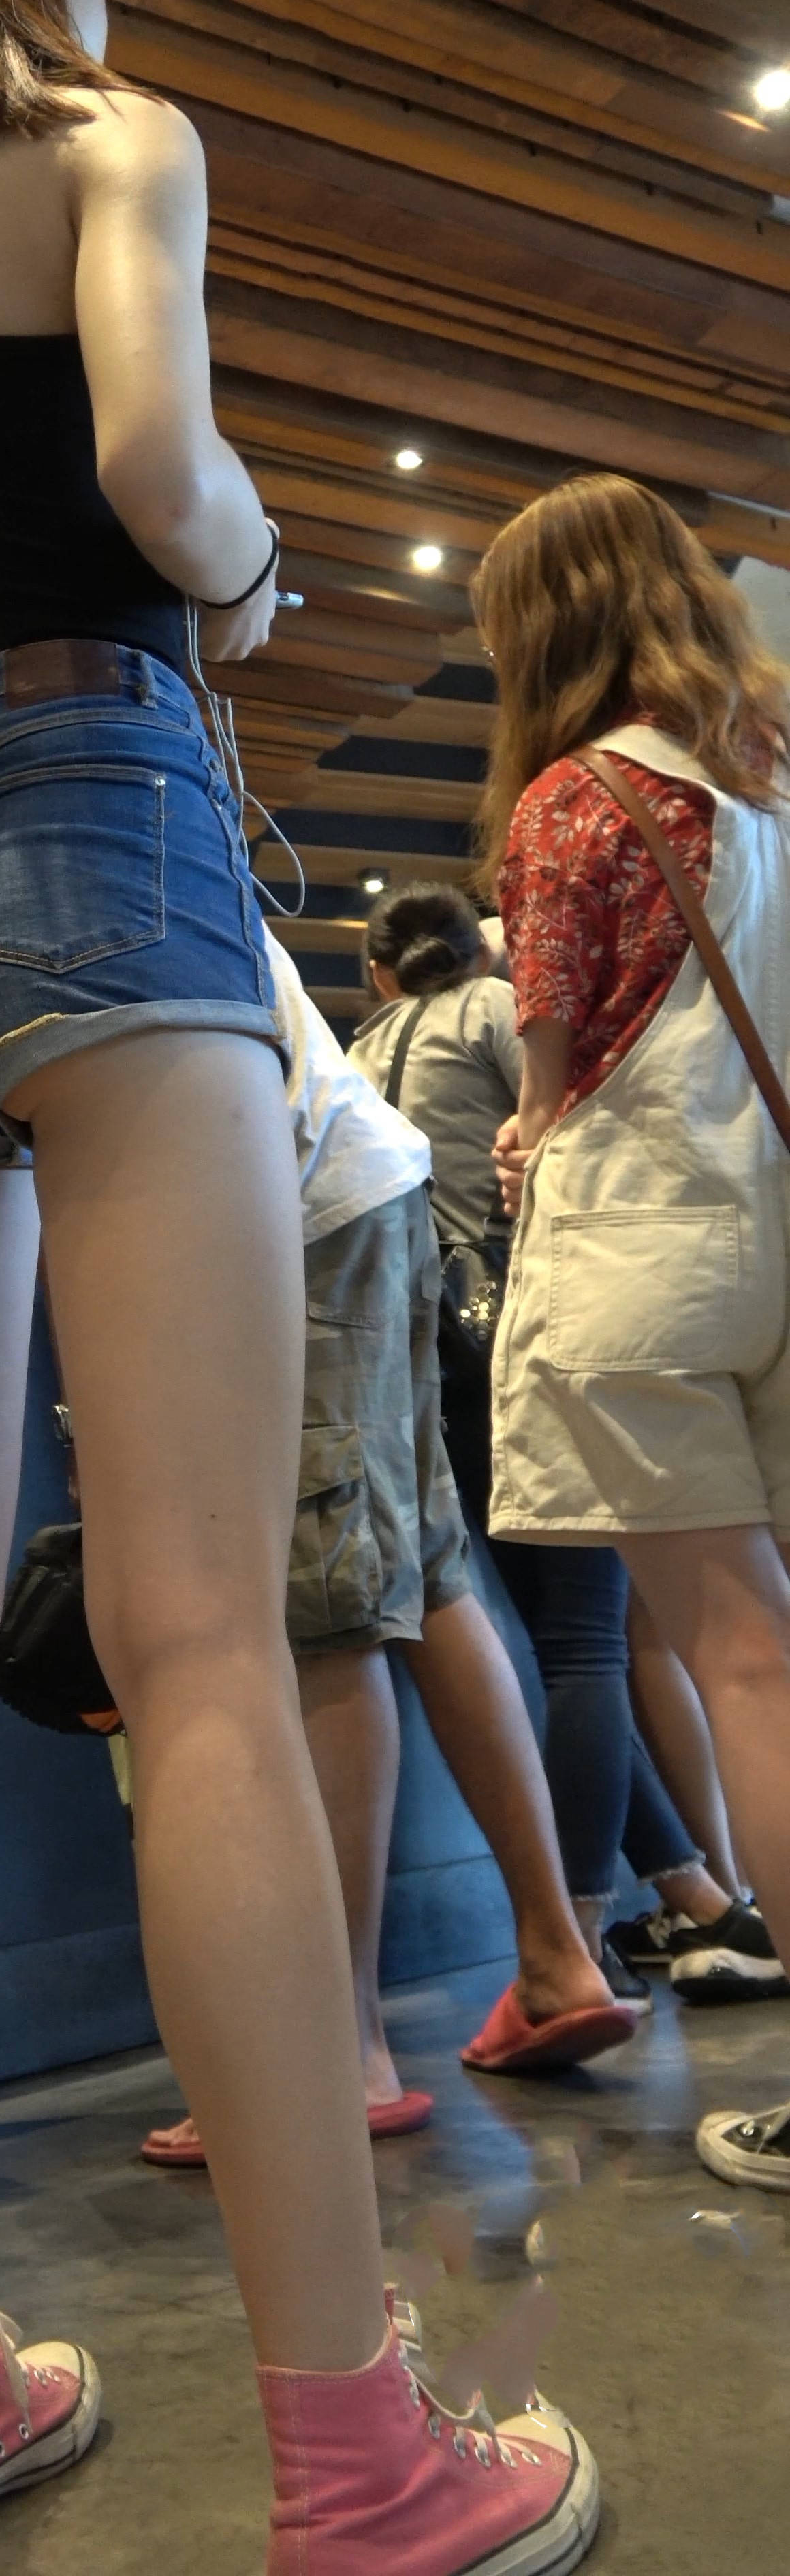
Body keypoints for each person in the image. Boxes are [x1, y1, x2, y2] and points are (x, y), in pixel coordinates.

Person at [0, 0, 602, 2566]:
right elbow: (158, 471)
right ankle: (361, 2458)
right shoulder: (117, 134)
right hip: (95, 812)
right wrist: (252, 561)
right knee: (209, 1640)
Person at [142, 924, 631, 2176]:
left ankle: (342, 2042)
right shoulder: (155, 844)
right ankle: (555, 1956)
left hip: (297, 1213)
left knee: (331, 1613)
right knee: (430, 1573)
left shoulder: (32, 854)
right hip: (361, 1189)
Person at [476, 472, 790, 2195]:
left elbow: (548, 1075)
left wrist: (528, 1133)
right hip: (778, 1236)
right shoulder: (771, 780)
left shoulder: (572, 802)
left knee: (741, 1663)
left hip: (646, 1262)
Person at [351, 883, 780, 2015]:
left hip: (423, 1362)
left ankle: (688, 1896)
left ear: (382, 974)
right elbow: (568, 1138)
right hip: (524, 1334)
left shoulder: (361, 1047)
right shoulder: (498, 1013)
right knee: (589, 1644)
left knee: (555, 1645)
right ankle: (576, 1946)